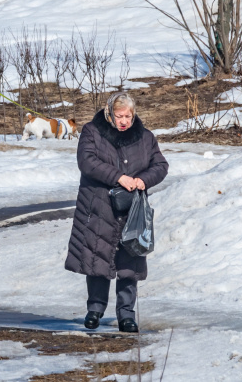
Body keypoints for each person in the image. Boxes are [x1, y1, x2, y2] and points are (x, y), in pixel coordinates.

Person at [64, 92, 169, 333]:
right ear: (110, 114)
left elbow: (161, 166)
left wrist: (143, 180)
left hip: (132, 210)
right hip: (99, 207)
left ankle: (126, 314)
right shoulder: (92, 131)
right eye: (119, 116)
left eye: (128, 116)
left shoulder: (145, 137)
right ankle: (95, 311)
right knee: (97, 260)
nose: (124, 121)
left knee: (129, 263)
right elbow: (87, 161)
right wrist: (118, 177)